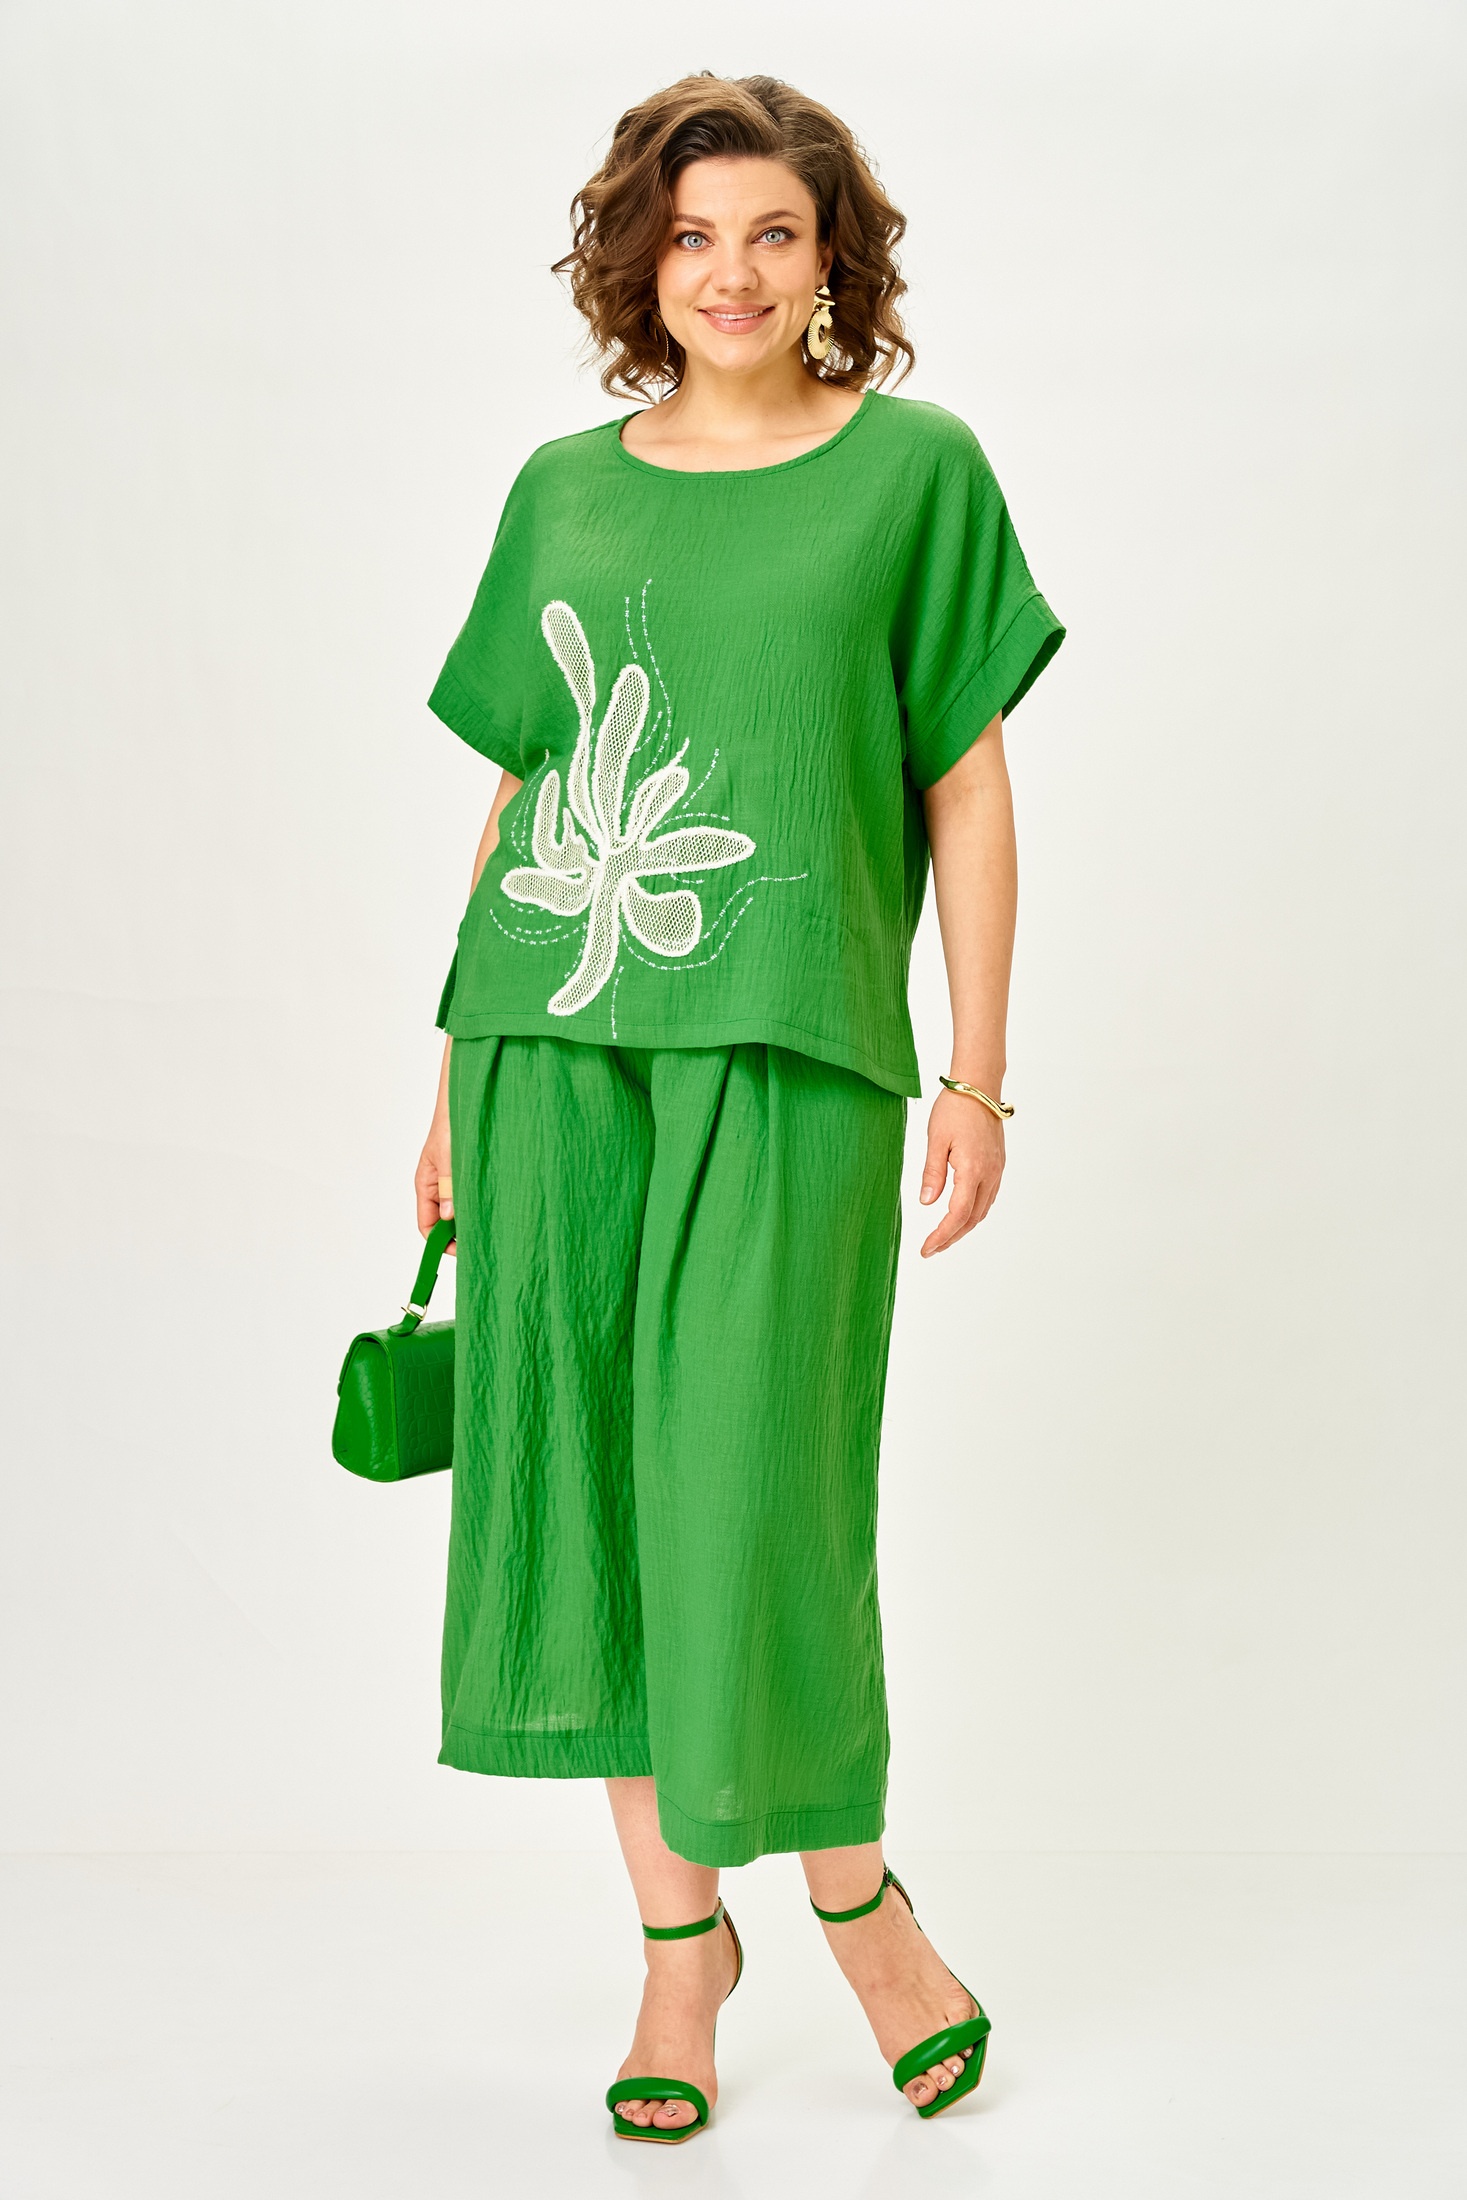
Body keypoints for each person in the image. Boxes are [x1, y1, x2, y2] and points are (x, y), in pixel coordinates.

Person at [414, 71, 1063, 2142]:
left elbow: (963, 780)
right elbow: (520, 792)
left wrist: (974, 1067)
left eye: (773, 233)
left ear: (830, 258)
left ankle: (855, 1901)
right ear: (641, 260)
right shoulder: (563, 489)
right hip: (548, 1049)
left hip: (794, 1048)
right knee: (596, 1497)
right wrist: (445, 1081)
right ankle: (675, 1949)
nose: (730, 273)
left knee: (756, 1497)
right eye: (691, 236)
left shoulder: (914, 473)